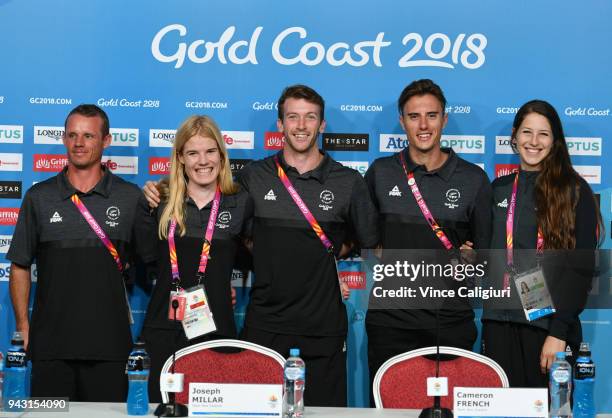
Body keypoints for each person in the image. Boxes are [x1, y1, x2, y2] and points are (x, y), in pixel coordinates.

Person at [144, 84, 378, 406]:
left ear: (321, 125)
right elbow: (235, 241)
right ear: (280, 124)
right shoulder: (254, 179)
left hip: (323, 327)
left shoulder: (348, 181)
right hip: (264, 327)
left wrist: (325, 264)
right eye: (292, 117)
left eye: (310, 117)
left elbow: (366, 242)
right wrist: (156, 192)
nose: (301, 125)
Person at [7, 104, 150, 401]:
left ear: (106, 141)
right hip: (50, 348)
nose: (79, 143)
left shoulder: (129, 197)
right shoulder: (39, 197)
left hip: (111, 347)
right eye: (72, 135)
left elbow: (155, 264)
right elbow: (20, 265)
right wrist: (24, 327)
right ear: (64, 139)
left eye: (88, 135)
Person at [364, 79, 492, 397]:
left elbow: (488, 253)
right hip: (389, 324)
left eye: (432, 115)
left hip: (450, 322)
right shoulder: (380, 173)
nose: (423, 125)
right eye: (414, 116)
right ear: (402, 120)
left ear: (444, 119)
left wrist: (474, 259)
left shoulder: (473, 179)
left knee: (448, 410)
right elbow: (366, 241)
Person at [481, 100, 600, 387]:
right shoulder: (497, 189)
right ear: (514, 135)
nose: (533, 142)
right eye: (526, 132)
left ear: (555, 140)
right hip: (499, 324)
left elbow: (580, 271)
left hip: (548, 329)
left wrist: (558, 332)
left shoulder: (574, 191)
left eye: (543, 134)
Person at [139, 115, 251, 403]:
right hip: (164, 329)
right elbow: (143, 260)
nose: (203, 161)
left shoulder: (240, 203)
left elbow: (264, 257)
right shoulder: (158, 200)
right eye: (193, 153)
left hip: (217, 330)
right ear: (180, 158)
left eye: (210, 151)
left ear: (221, 155)